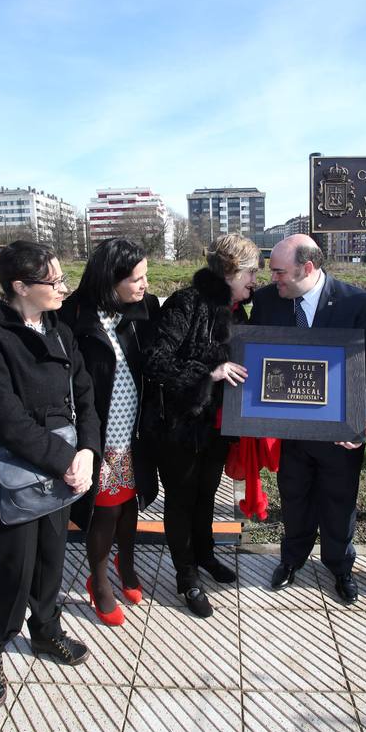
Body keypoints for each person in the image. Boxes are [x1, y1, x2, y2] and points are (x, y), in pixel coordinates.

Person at [0, 241, 101, 711]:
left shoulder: (59, 327)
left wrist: (87, 450)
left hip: (63, 463)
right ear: (20, 287)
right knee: (13, 570)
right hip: (17, 469)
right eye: (53, 281)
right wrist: (65, 459)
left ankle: (45, 630)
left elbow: (85, 393)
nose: (63, 287)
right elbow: (4, 415)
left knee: (51, 558)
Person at [250, 234, 366, 603]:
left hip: (339, 429)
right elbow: (255, 354)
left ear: (307, 268)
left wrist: (362, 412)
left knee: (339, 502)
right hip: (289, 430)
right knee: (294, 498)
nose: (273, 278)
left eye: (279, 272)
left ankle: (340, 566)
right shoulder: (267, 300)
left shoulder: (356, 302)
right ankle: (292, 559)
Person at [143, 233, 260, 618]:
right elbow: (155, 359)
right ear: (230, 271)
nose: (254, 280)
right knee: (181, 499)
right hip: (179, 424)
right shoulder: (186, 303)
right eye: (250, 272)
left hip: (216, 424)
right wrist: (209, 372)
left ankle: (205, 554)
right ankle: (186, 575)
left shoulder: (236, 310)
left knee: (207, 493)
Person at [60, 238, 160, 626]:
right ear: (109, 279)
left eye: (145, 276)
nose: (144, 285)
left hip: (134, 432)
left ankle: (126, 564)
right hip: (97, 434)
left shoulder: (143, 309)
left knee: (129, 503)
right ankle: (99, 582)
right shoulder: (72, 315)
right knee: (105, 510)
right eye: (136, 278)